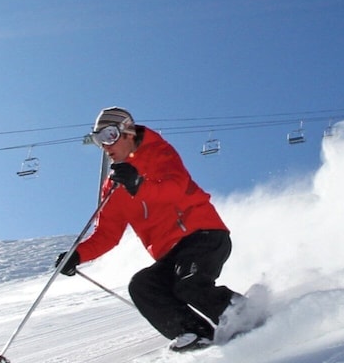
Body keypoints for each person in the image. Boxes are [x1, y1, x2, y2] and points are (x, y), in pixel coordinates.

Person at [55, 107, 241, 353]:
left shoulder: (158, 152)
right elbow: (107, 234)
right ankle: (196, 334)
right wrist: (78, 255)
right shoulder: (114, 186)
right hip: (169, 253)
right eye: (98, 139)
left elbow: (176, 188)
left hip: (202, 234)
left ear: (128, 132)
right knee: (143, 285)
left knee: (189, 283)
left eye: (110, 135)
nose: (105, 146)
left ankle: (244, 315)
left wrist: (138, 184)